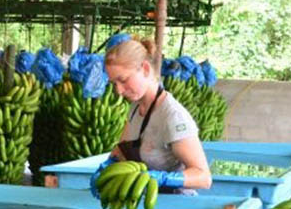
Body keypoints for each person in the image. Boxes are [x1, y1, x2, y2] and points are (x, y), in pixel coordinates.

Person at [90, 35, 212, 196]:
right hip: (144, 203)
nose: (118, 91)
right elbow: (123, 148)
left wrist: (164, 178)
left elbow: (203, 178)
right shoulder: (136, 107)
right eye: (114, 84)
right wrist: (108, 165)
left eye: (123, 80)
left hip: (175, 206)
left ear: (146, 69)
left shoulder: (172, 116)